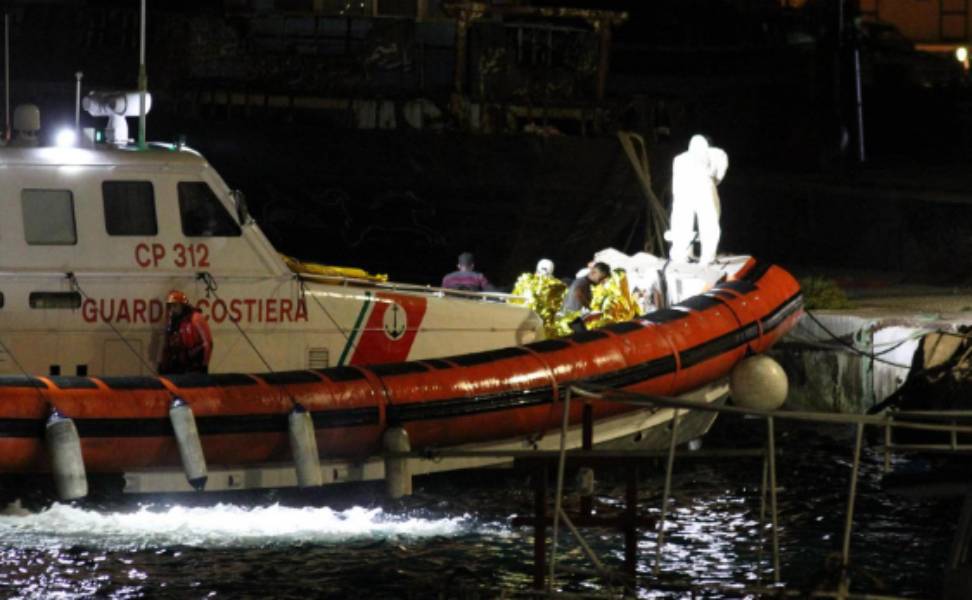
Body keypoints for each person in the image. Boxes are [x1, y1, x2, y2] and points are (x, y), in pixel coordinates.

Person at [668, 134, 729, 264]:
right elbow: (719, 174)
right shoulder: (718, 154)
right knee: (709, 222)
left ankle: (680, 255)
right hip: (704, 186)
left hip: (683, 189)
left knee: (681, 221)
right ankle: (707, 257)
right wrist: (712, 182)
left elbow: (676, 180)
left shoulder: (679, 158)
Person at [159, 290, 213, 375]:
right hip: (182, 361)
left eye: (175, 305)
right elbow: (168, 345)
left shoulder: (196, 318)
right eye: (171, 306)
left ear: (182, 305)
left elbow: (208, 343)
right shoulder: (173, 321)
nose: (172, 309)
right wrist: (164, 364)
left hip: (195, 361)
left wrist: (204, 365)